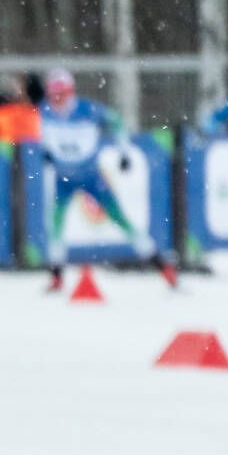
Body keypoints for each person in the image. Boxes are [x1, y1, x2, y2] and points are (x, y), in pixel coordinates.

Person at [37, 67, 174, 290]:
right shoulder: (45, 111)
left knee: (121, 220)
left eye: (60, 95)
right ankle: (56, 276)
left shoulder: (87, 109)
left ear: (69, 92)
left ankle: (163, 267)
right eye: (53, 95)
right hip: (64, 179)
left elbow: (117, 122)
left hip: (92, 177)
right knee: (55, 226)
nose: (56, 101)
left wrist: (123, 151)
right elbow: (44, 134)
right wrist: (47, 151)